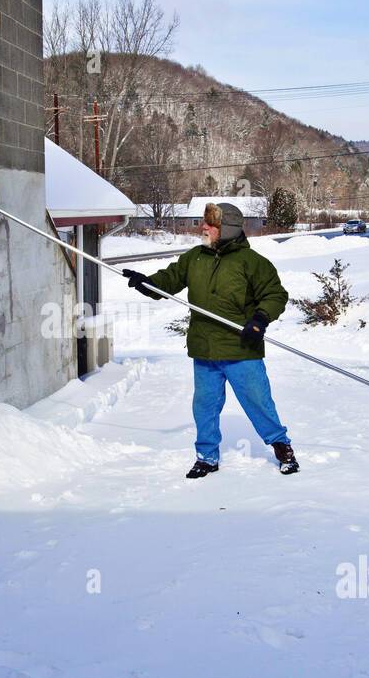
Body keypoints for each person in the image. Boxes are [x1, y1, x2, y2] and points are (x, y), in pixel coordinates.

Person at [124, 202, 299, 477]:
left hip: (241, 348)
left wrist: (260, 319)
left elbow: (275, 295)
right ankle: (206, 456)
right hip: (204, 348)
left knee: (258, 401)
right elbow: (169, 281)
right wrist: (146, 283)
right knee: (204, 406)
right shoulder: (195, 258)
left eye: (211, 224)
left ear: (226, 229)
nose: (203, 227)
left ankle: (282, 447)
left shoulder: (252, 262)